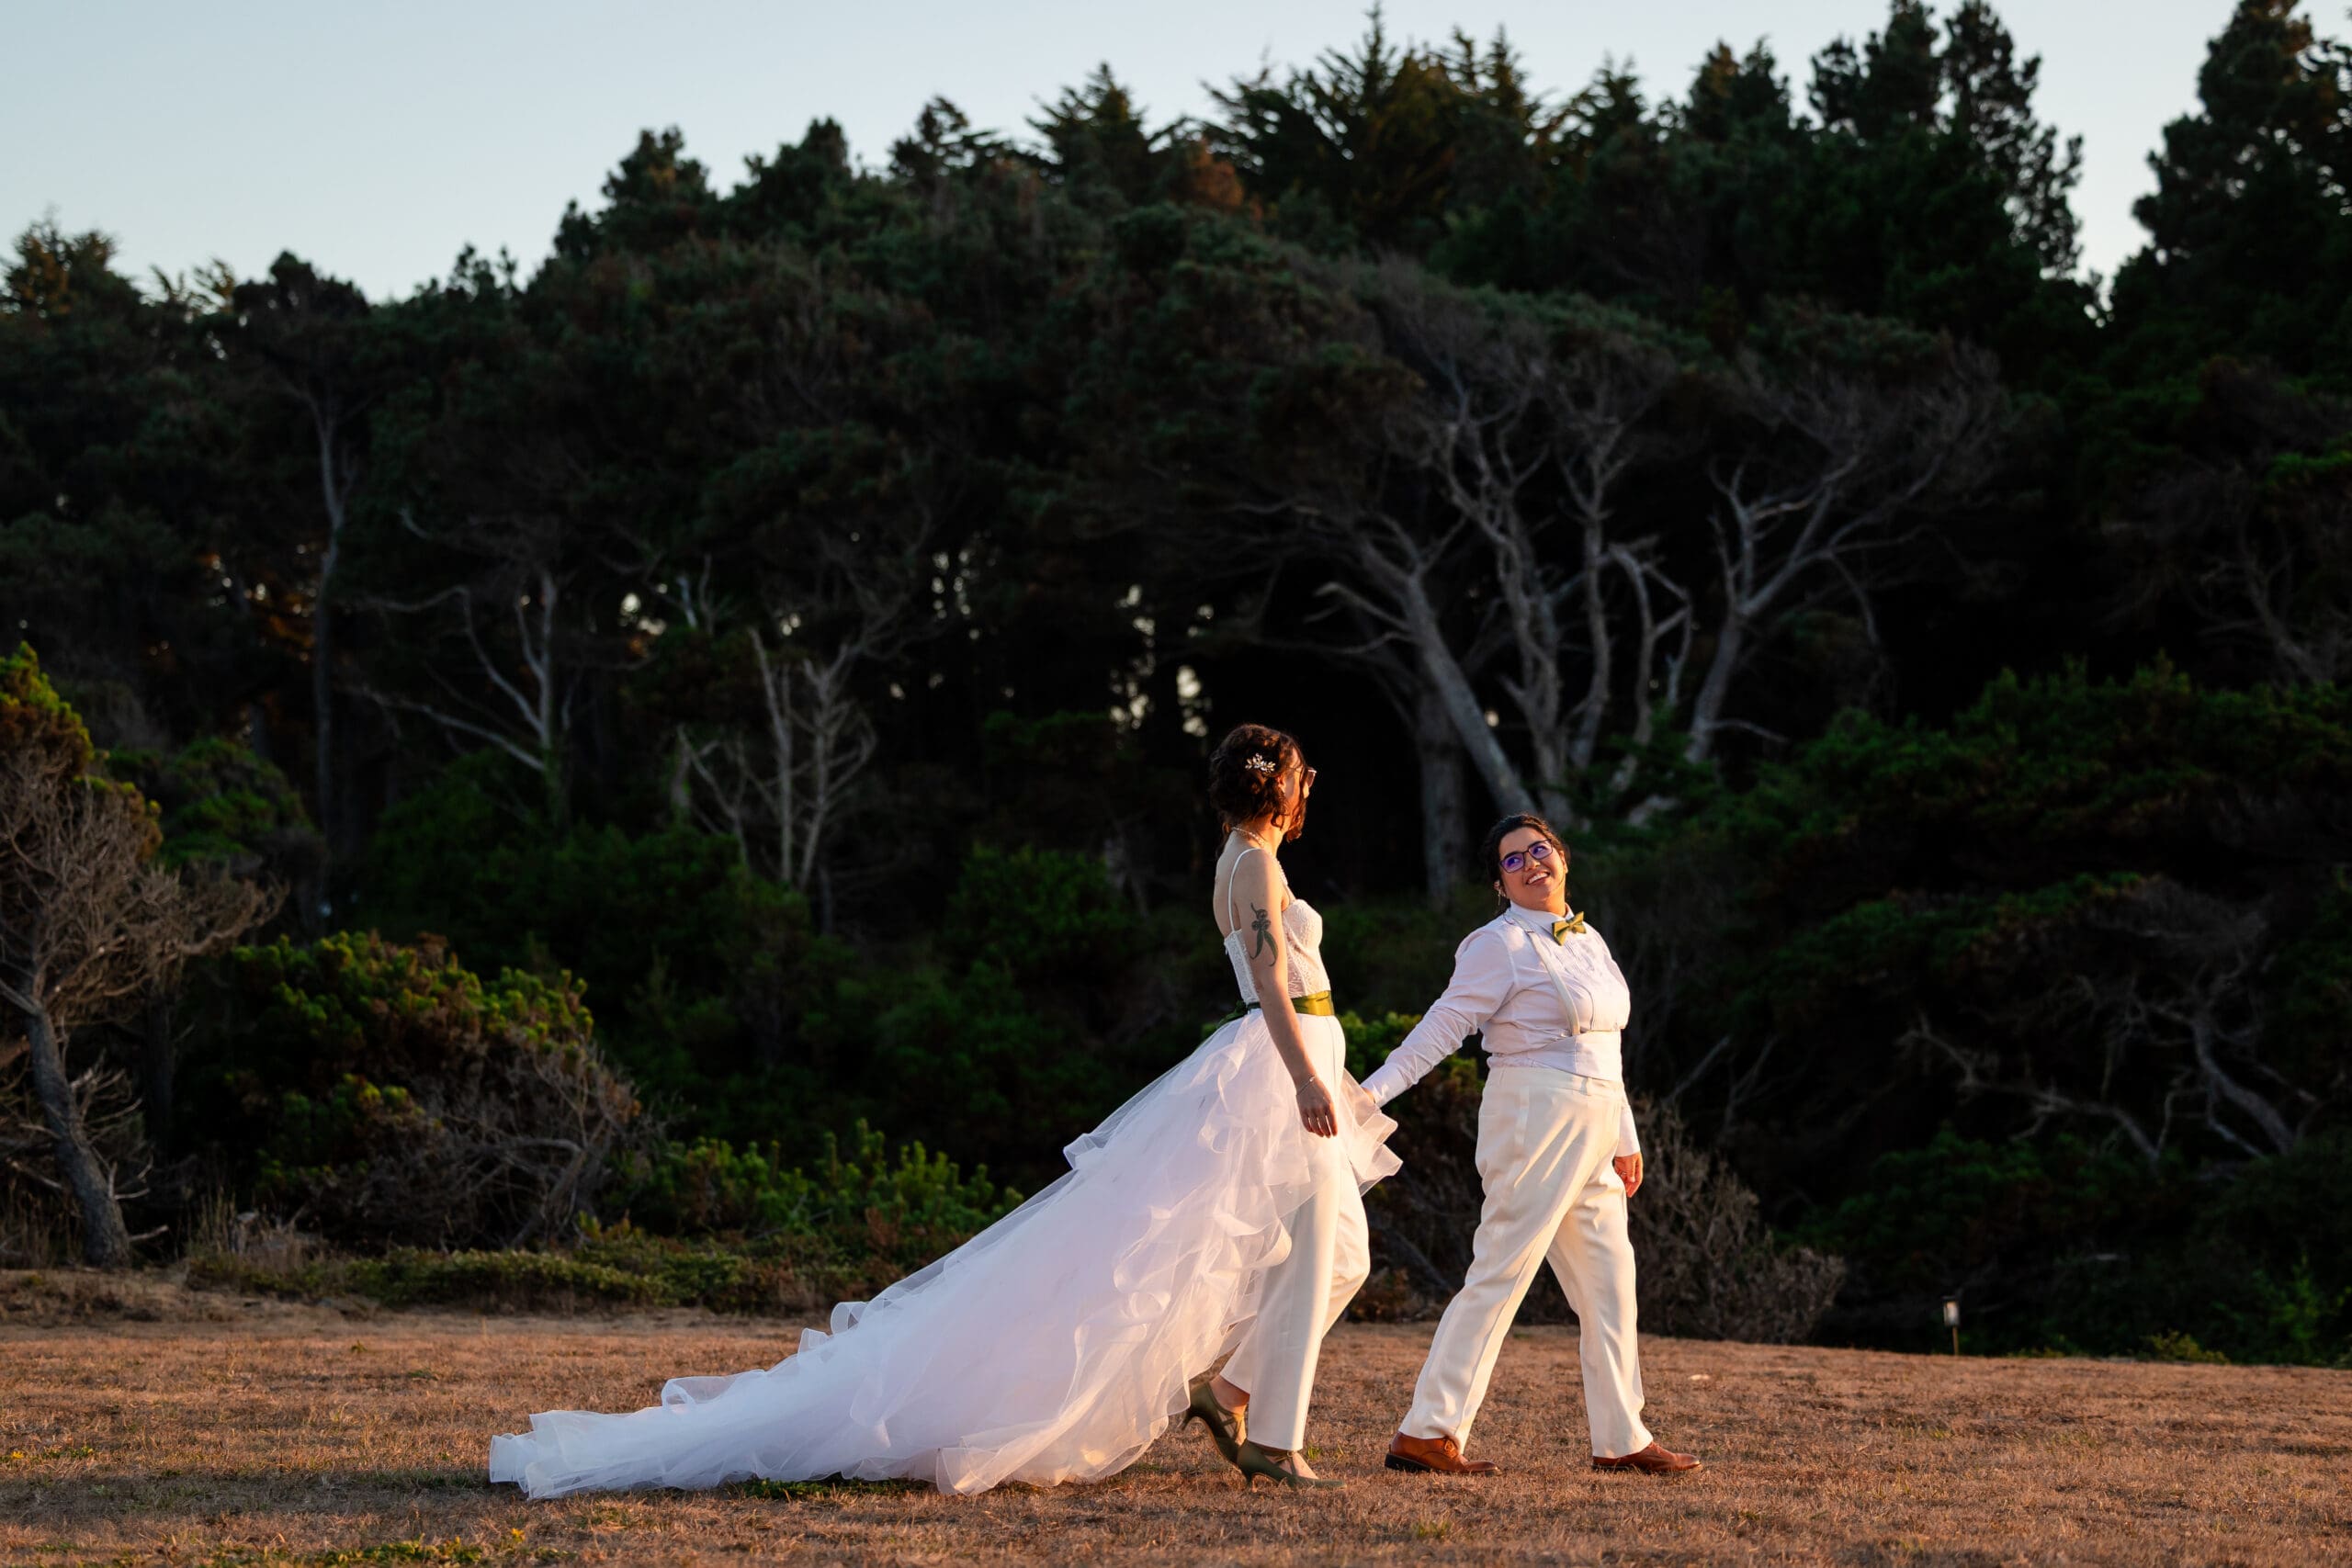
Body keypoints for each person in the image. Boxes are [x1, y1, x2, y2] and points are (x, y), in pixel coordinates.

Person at [488, 723, 1394, 1497]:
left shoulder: (1248, 859)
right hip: (1277, 1065)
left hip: (1292, 1055)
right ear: (1279, 791)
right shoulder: (1257, 871)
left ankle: (1230, 1395)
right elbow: (1274, 979)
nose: (1309, 789)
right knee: (1308, 1246)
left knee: (1335, 1247)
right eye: (1302, 777)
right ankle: (1271, 1438)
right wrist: (1308, 1080)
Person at [1361, 813, 1701, 1477]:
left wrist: (1624, 1133)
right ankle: (1427, 1431)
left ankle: (1621, 1437)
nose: (1531, 863)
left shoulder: (1589, 937)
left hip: (1597, 1120)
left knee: (1611, 1283)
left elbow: (1608, 1044)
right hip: (1534, 1116)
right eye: (1514, 859)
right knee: (1501, 1273)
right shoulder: (1498, 944)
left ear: (1563, 857)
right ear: (1500, 882)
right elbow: (1443, 1026)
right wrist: (1368, 1094)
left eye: (1539, 849)